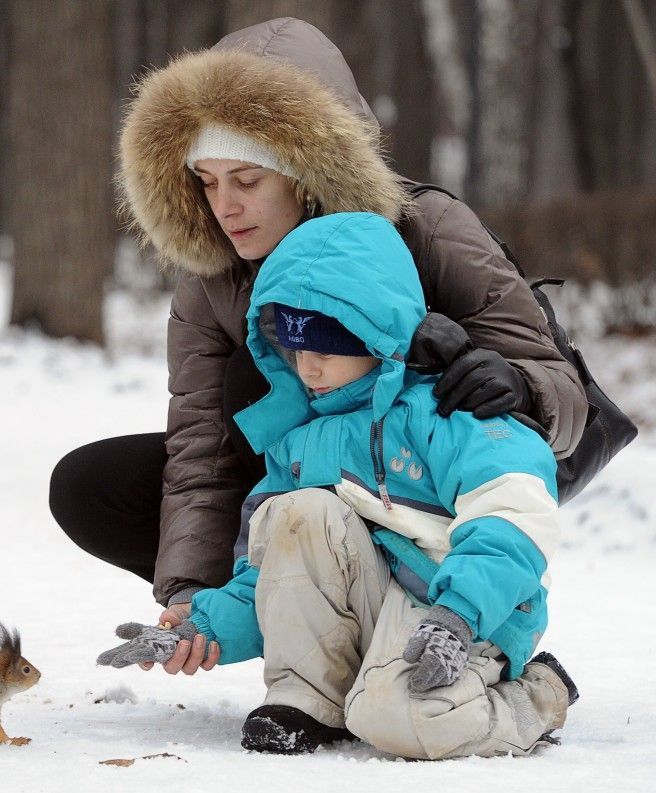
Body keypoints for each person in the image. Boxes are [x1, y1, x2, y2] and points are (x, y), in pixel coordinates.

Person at [50, 18, 588, 676]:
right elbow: (201, 460)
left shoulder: (430, 230)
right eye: (207, 180)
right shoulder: (211, 282)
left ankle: (461, 618)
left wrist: (520, 386)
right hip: (304, 479)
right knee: (93, 485)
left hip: (440, 480)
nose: (225, 205)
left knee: (262, 378)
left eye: (246, 180)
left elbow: (562, 395)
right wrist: (191, 596)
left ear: (303, 172)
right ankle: (300, 624)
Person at [98, 212, 577, 758]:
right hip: (377, 604)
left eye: (326, 348)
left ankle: (536, 696)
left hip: (460, 613)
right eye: (296, 350)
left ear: (376, 334)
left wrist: (458, 614)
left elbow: (514, 517)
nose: (309, 367)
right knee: (296, 513)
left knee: (403, 722)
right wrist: (200, 629)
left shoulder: (448, 410)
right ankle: (309, 695)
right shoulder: (299, 438)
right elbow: (275, 574)